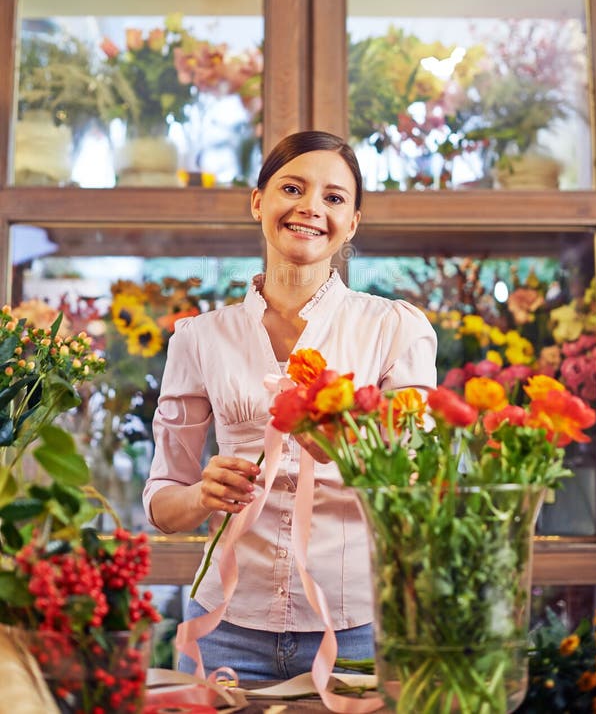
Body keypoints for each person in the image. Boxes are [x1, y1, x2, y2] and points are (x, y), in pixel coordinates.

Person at [143, 129, 437, 681]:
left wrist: (348, 449)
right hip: (223, 625)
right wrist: (203, 494)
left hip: (355, 626)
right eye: (292, 188)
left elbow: (418, 483)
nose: (310, 208)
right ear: (259, 202)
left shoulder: (393, 329)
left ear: (352, 222)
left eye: (333, 197)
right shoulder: (199, 338)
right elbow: (162, 504)